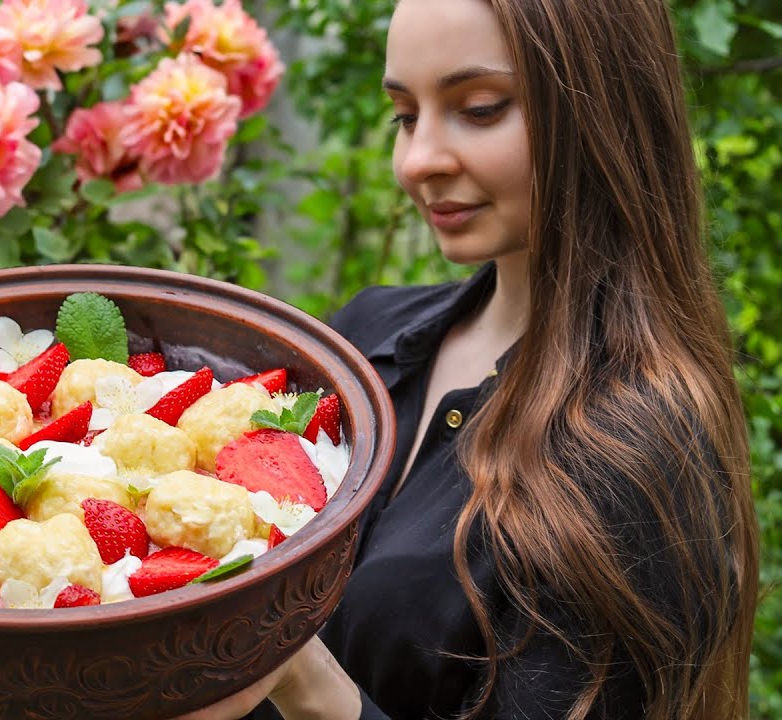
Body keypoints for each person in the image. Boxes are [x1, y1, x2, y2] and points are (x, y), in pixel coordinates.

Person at [174, 0, 760, 718]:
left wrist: (306, 685)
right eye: (404, 116)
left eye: (480, 109)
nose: (417, 160)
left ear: (603, 109)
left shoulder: (635, 453)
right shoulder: (364, 338)